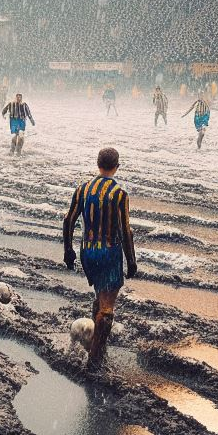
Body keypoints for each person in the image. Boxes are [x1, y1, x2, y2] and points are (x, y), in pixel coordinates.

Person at [62, 147, 137, 371]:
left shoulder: (83, 189)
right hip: (109, 252)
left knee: (100, 296)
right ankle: (95, 361)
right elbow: (125, 231)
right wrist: (131, 260)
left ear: (97, 164)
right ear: (117, 166)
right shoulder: (120, 194)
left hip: (88, 252)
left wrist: (68, 250)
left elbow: (68, 221)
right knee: (107, 309)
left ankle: (95, 345)